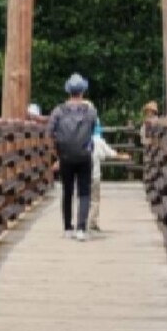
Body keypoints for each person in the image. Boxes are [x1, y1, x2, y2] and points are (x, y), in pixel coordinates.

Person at [48, 73, 97, 241]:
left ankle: (68, 228)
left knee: (67, 191)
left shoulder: (58, 111)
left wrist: (56, 153)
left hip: (65, 157)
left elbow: (50, 133)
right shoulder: (90, 111)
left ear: (68, 91)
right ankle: (81, 229)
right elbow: (92, 130)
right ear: (82, 91)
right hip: (84, 156)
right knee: (84, 192)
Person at [88, 122, 128, 232]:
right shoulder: (99, 141)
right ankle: (92, 222)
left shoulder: (80, 139)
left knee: (83, 198)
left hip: (82, 175)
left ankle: (82, 221)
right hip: (94, 175)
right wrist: (122, 156)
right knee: (95, 200)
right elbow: (111, 153)